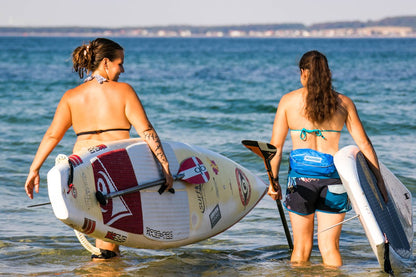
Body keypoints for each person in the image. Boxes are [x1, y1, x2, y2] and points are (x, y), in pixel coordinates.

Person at [24, 38, 174, 260]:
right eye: (120, 63)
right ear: (106, 62)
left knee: (103, 232)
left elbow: (53, 135)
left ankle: (106, 268)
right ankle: (100, 271)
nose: (123, 69)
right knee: (108, 240)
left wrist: (34, 169)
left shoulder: (71, 96)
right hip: (113, 166)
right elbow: (146, 131)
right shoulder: (124, 91)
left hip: (80, 169)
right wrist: (164, 165)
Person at [268, 50, 385, 267]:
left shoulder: (288, 101)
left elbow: (276, 147)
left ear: (303, 73)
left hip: (301, 182)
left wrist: (272, 180)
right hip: (334, 181)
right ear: (327, 73)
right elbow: (364, 144)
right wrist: (379, 180)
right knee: (330, 247)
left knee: (301, 248)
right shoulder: (344, 103)